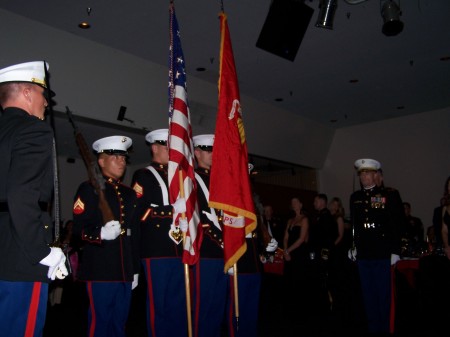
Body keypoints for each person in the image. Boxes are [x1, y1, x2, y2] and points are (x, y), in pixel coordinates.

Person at [0, 61, 68, 337]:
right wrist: (43, 252)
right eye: (43, 94)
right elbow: (22, 195)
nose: (46, 104)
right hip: (22, 254)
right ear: (28, 93)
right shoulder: (33, 130)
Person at [72, 135, 139, 337]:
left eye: (123, 158)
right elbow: (78, 230)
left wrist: (134, 269)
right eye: (115, 157)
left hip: (125, 270)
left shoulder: (129, 194)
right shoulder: (88, 189)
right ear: (101, 161)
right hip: (100, 269)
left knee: (120, 324)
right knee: (100, 324)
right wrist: (100, 233)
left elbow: (133, 235)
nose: (121, 162)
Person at [131, 129, 188, 337]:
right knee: (160, 305)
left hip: (178, 247)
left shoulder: (177, 176)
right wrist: (171, 210)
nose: (171, 151)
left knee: (179, 303)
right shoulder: (143, 175)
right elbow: (139, 213)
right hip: (156, 250)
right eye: (167, 147)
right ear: (154, 148)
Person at [350, 158, 405, 336]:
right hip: (364, 252)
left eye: (367, 173)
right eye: (361, 173)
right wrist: (354, 246)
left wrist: (396, 250)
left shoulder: (388, 195)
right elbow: (355, 225)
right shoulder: (355, 197)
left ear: (376, 175)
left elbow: (397, 223)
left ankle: (385, 329)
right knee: (368, 295)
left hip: (382, 251)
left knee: (383, 295)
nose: (364, 176)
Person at [191, 134, 228, 337]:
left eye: (214, 150)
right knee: (203, 306)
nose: (213, 154)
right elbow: (200, 218)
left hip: (222, 253)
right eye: (208, 150)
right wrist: (224, 242)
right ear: (197, 153)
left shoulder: (218, 180)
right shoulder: (192, 180)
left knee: (218, 306)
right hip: (205, 251)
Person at [282, 197, 310, 322]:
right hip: (289, 255)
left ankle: (302, 311)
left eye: (296, 202)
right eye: (292, 202)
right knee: (290, 280)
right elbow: (285, 238)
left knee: (300, 281)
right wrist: (285, 250)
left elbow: (302, 239)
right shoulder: (290, 220)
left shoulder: (304, 219)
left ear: (301, 204)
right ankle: (291, 310)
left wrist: (288, 251)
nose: (293, 204)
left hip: (299, 254)